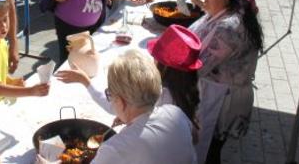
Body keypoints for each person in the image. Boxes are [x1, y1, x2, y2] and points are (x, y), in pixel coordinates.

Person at [60, 49, 198, 164]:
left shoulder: (114, 149)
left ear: (121, 102)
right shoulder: (175, 112)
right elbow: (194, 137)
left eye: (110, 94)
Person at [188, 0, 263, 164]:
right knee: (211, 152)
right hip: (219, 94)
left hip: (223, 103)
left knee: (210, 154)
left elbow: (197, 68)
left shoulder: (229, 28)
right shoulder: (229, 11)